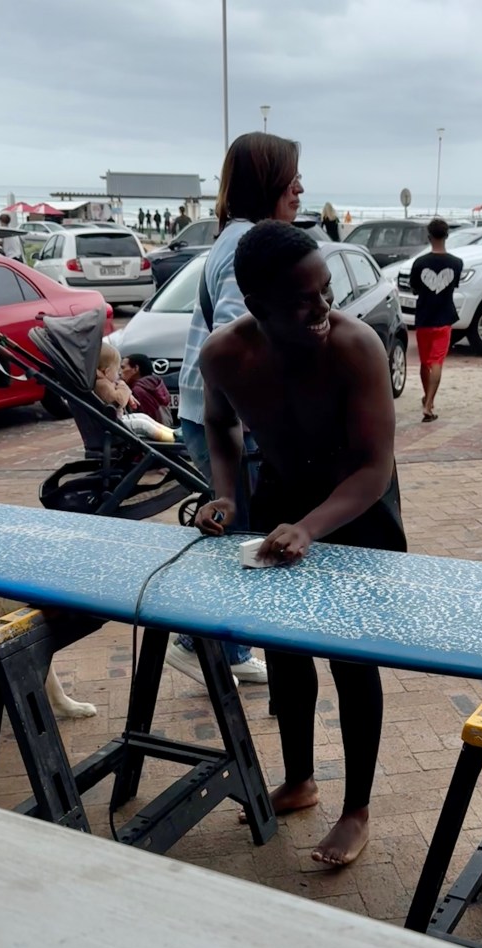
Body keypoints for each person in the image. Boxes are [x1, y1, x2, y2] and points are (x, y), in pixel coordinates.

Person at [195, 220, 406, 866]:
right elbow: (217, 425)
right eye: (303, 300)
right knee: (286, 651)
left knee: (349, 658)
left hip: (357, 508)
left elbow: (374, 467)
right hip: (283, 499)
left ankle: (356, 808)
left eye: (325, 290)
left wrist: (311, 527)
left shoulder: (354, 347)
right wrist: (227, 494)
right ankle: (299, 777)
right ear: (255, 307)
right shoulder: (224, 354)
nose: (322, 309)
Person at [173, 131, 305, 687]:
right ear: (266, 183)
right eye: (291, 177)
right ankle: (196, 644)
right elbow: (239, 334)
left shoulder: (233, 236)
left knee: (238, 533)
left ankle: (225, 651)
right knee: (239, 538)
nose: (300, 188)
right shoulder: (250, 243)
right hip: (226, 419)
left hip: (214, 412)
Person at [409, 217, 463, 422]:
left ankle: (427, 398)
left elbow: (414, 287)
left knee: (425, 362)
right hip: (444, 317)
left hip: (424, 317)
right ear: (447, 236)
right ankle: (429, 404)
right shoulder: (456, 263)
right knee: (437, 361)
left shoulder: (420, 263)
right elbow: (453, 285)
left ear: (429, 236)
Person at [120, 353, 172, 426]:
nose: (120, 372)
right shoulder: (155, 384)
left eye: (123, 368)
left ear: (136, 369)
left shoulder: (137, 391)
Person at [94, 341, 135, 413]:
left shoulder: (102, 381)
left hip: (114, 420)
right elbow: (118, 401)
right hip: (113, 421)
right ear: (106, 372)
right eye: (117, 370)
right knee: (143, 423)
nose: (119, 373)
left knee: (144, 418)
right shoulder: (102, 384)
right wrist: (124, 388)